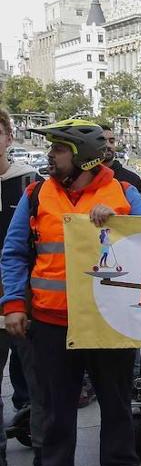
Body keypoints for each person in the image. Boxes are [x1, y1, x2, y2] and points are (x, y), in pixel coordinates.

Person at [2, 119, 141, 466]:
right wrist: (14, 304)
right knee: (54, 403)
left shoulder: (125, 193)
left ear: (82, 158)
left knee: (116, 398)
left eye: (59, 149)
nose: (51, 155)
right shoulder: (36, 194)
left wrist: (120, 222)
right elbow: (14, 252)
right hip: (51, 320)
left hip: (109, 318)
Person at [0, 109, 39, 445]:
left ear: (9, 137)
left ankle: (39, 446)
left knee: (35, 382)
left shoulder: (30, 183)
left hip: (22, 299)